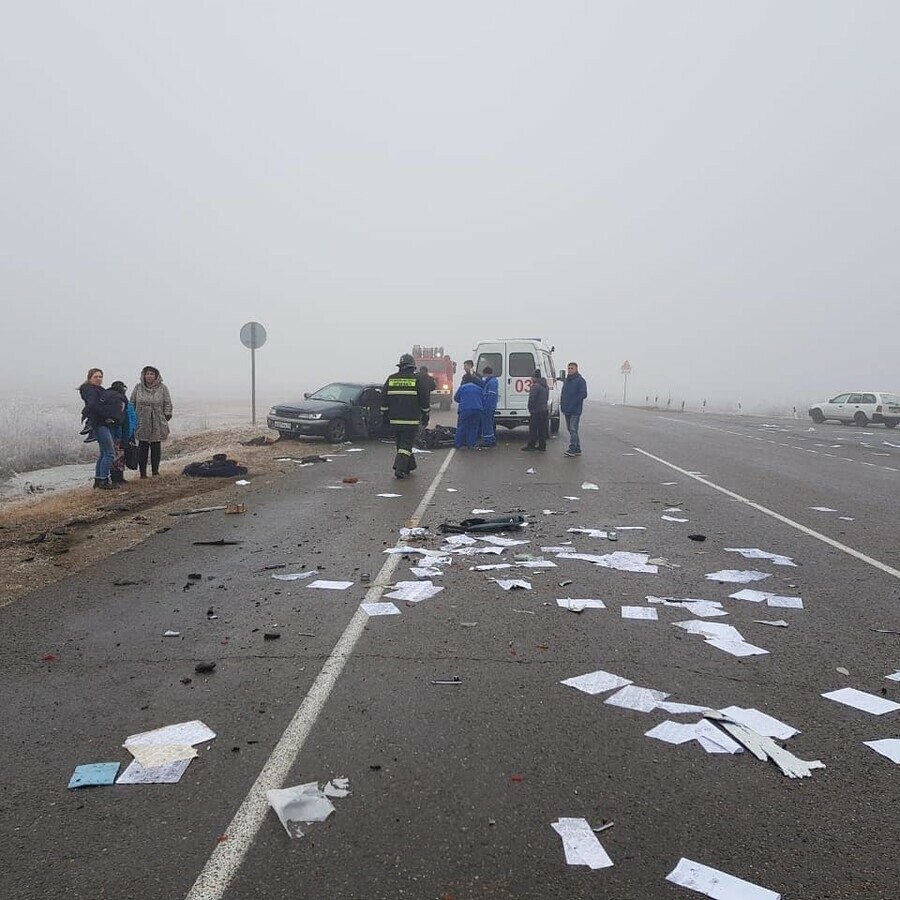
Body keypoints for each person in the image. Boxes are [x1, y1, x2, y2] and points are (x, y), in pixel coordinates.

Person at [382, 353, 431, 479]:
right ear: (412, 367)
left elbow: (384, 398)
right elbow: (424, 399)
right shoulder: (417, 380)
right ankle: (399, 468)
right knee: (406, 444)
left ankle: (410, 465)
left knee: (400, 443)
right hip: (411, 420)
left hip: (394, 419)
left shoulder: (391, 379)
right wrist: (426, 413)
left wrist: (385, 414)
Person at [78, 368, 118, 489]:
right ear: (90, 378)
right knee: (110, 453)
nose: (98, 379)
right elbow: (93, 405)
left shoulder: (94, 390)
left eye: (100, 376)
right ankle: (103, 481)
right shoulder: (92, 390)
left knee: (104, 453)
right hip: (99, 423)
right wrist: (107, 415)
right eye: (95, 377)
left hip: (98, 423)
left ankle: (98, 480)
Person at [130, 365, 173, 478]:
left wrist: (167, 415)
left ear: (156, 376)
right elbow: (132, 403)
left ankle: (155, 471)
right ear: (143, 375)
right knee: (142, 446)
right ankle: (143, 473)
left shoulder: (163, 388)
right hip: (142, 420)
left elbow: (167, 402)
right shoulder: (138, 387)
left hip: (157, 420)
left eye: (151, 374)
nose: (149, 376)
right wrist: (132, 418)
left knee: (156, 446)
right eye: (147, 374)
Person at [108, 381, 138, 484]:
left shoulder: (128, 403)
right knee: (117, 457)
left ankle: (120, 477)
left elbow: (133, 418)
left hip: (127, 434)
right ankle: (115, 478)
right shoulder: (116, 402)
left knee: (122, 457)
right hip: (117, 434)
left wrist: (133, 431)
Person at [560, 361, 588, 457]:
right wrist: (562, 405)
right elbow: (563, 394)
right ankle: (578, 448)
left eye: (572, 368)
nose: (570, 370)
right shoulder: (567, 381)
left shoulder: (580, 380)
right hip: (566, 409)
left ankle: (572, 449)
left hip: (575, 410)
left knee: (572, 429)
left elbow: (583, 394)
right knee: (571, 429)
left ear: (576, 369)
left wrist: (575, 403)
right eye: (569, 368)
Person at [521, 369, 549, 451]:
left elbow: (532, 399)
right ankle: (542, 446)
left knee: (533, 429)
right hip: (544, 409)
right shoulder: (545, 386)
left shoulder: (535, 386)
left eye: (532, 376)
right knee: (542, 429)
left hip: (536, 410)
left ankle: (531, 445)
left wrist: (530, 408)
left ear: (534, 377)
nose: (531, 378)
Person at [453, 378, 484, 449]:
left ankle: (458, 444)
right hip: (477, 410)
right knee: (474, 428)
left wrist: (463, 400)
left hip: (465, 410)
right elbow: (482, 399)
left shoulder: (462, 387)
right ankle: (472, 444)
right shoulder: (479, 389)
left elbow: (456, 398)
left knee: (462, 427)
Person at [480, 366, 499, 448]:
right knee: (489, 424)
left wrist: (485, 407)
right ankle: (492, 439)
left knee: (487, 424)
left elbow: (491, 396)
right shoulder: (491, 381)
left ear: (486, 373)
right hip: (490, 406)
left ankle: (488, 441)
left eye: (484, 375)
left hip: (488, 406)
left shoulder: (491, 382)